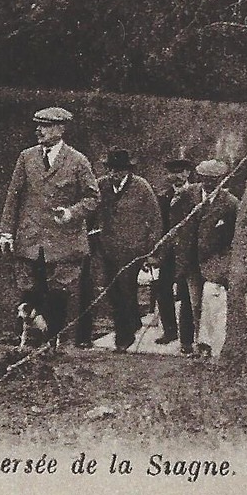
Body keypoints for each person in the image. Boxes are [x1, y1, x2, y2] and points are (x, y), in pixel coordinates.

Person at [0, 106, 100, 351]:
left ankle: (52, 339)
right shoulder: (26, 157)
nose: (39, 130)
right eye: (38, 125)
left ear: (60, 129)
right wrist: (6, 232)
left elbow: (93, 198)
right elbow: (13, 196)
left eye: (45, 126)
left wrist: (71, 212)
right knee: (28, 289)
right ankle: (28, 336)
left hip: (63, 240)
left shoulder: (77, 160)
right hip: (30, 238)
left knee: (59, 292)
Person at [93, 149, 162, 351]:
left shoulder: (142, 187)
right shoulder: (101, 185)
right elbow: (90, 207)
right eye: (110, 169)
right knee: (112, 291)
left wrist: (153, 251)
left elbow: (155, 219)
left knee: (126, 289)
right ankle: (132, 323)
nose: (113, 173)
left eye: (118, 170)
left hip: (133, 250)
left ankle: (123, 339)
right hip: (108, 248)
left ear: (126, 170)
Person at [180, 157, 239, 357]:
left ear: (222, 179)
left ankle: (211, 344)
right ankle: (198, 343)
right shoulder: (188, 195)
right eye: (205, 178)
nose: (209, 183)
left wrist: (224, 261)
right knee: (194, 302)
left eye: (214, 179)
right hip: (190, 260)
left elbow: (235, 236)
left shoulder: (230, 204)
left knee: (211, 303)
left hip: (214, 261)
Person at [153, 156, 196, 345]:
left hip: (189, 252)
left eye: (181, 172)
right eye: (172, 173)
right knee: (163, 290)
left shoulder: (197, 195)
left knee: (187, 293)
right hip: (168, 252)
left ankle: (189, 335)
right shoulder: (162, 197)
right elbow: (158, 225)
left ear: (188, 173)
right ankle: (170, 330)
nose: (176, 176)